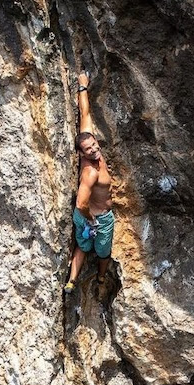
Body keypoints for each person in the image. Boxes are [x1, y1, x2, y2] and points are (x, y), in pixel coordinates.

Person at [64, 69, 115, 298]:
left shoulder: (89, 140)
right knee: (96, 250)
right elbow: (81, 202)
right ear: (82, 153)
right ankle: (92, 278)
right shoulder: (90, 172)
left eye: (94, 145)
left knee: (83, 246)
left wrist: (82, 86)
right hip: (94, 217)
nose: (94, 150)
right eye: (89, 150)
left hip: (91, 215)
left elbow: (85, 113)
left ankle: (73, 280)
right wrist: (92, 219)